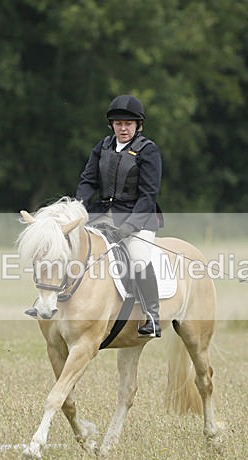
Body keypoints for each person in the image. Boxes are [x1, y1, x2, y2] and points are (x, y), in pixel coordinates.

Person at [75, 95, 162, 337]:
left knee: (138, 258)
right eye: (118, 123)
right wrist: (78, 208)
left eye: (128, 124)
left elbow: (149, 194)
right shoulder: (102, 147)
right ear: (112, 125)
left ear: (138, 125)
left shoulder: (148, 150)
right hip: (101, 215)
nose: (123, 128)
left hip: (138, 217)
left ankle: (152, 316)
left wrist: (130, 227)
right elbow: (88, 180)